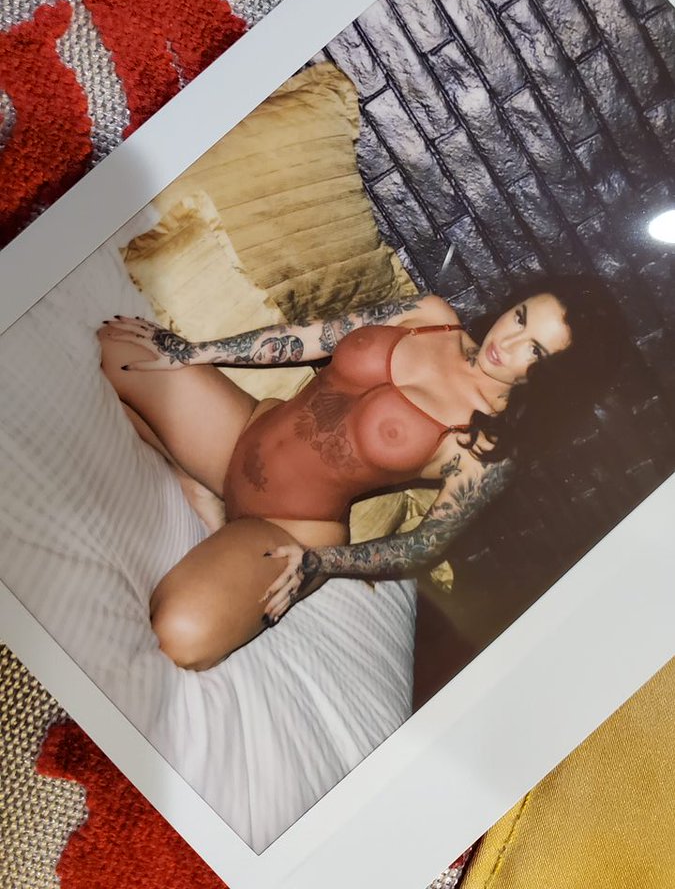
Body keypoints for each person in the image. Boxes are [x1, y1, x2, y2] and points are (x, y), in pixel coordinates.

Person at [98, 275, 623, 671]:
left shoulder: (488, 450)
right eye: (521, 317)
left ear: (553, 376)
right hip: (242, 436)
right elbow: (312, 337)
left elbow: (423, 546)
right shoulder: (431, 315)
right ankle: (198, 483)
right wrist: (194, 353)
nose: (507, 342)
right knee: (117, 346)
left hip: (288, 527)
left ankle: (215, 507)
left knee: (182, 635)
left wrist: (319, 562)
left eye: (534, 350)